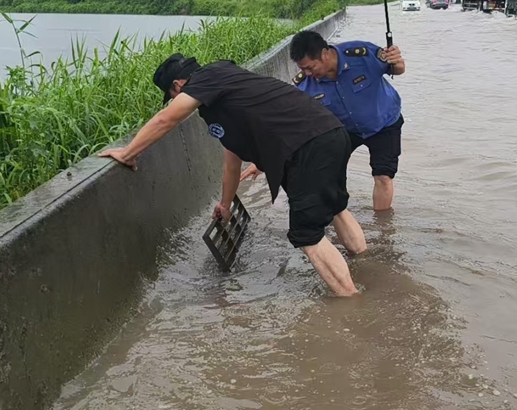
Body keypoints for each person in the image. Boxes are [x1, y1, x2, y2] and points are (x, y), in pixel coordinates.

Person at [99, 53, 367, 297]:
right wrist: (225, 204)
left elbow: (165, 119)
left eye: (173, 96)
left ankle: (352, 302)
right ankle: (365, 262)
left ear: (178, 86)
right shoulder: (226, 85)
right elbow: (232, 161)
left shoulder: (205, 80)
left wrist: (128, 153)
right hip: (331, 134)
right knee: (335, 207)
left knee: (307, 235)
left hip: (306, 148)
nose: (176, 101)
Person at [241, 31, 406, 211]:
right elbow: (293, 127)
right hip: (343, 131)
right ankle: (341, 218)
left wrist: (397, 61)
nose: (307, 73)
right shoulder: (304, 85)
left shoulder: (362, 54)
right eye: (302, 69)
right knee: (326, 176)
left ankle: (381, 225)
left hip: (384, 123)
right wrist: (265, 160)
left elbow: (397, 69)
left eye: (310, 67)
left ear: (325, 54)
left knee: (383, 177)